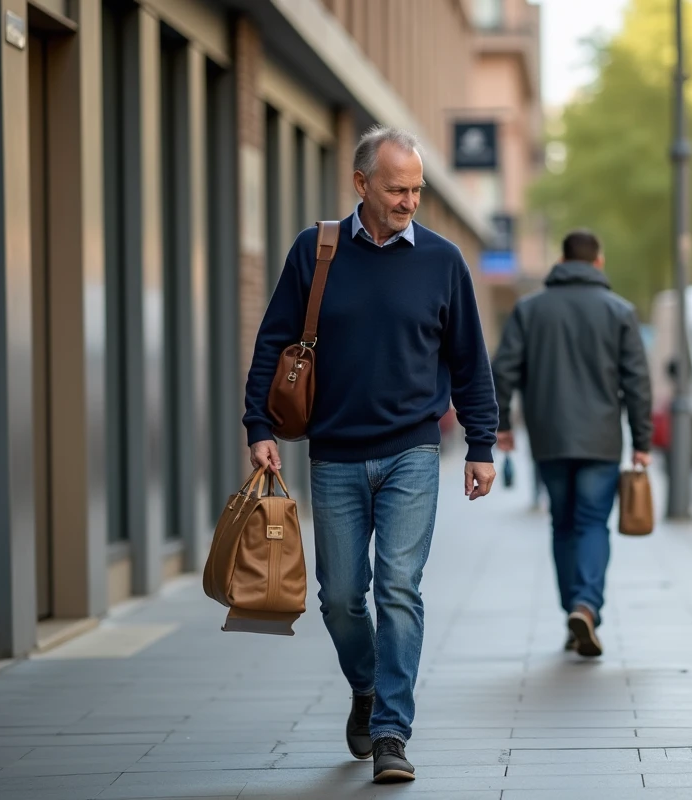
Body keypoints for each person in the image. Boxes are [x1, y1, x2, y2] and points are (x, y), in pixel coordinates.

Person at [242, 126, 498, 784]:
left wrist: (481, 444)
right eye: (396, 190)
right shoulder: (316, 252)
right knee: (340, 596)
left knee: (398, 588)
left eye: (417, 190)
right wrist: (258, 425)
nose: (409, 201)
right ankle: (367, 684)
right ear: (361, 184)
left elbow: (469, 361)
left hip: (413, 449)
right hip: (334, 455)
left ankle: (391, 730)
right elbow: (273, 340)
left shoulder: (442, 260)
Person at [492, 229, 652, 658]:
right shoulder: (620, 311)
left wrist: (502, 424)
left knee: (562, 524)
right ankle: (586, 606)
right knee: (592, 523)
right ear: (598, 262)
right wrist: (642, 440)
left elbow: (503, 370)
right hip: (601, 439)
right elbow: (637, 380)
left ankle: (572, 612)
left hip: (549, 437)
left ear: (561, 262)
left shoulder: (530, 310)